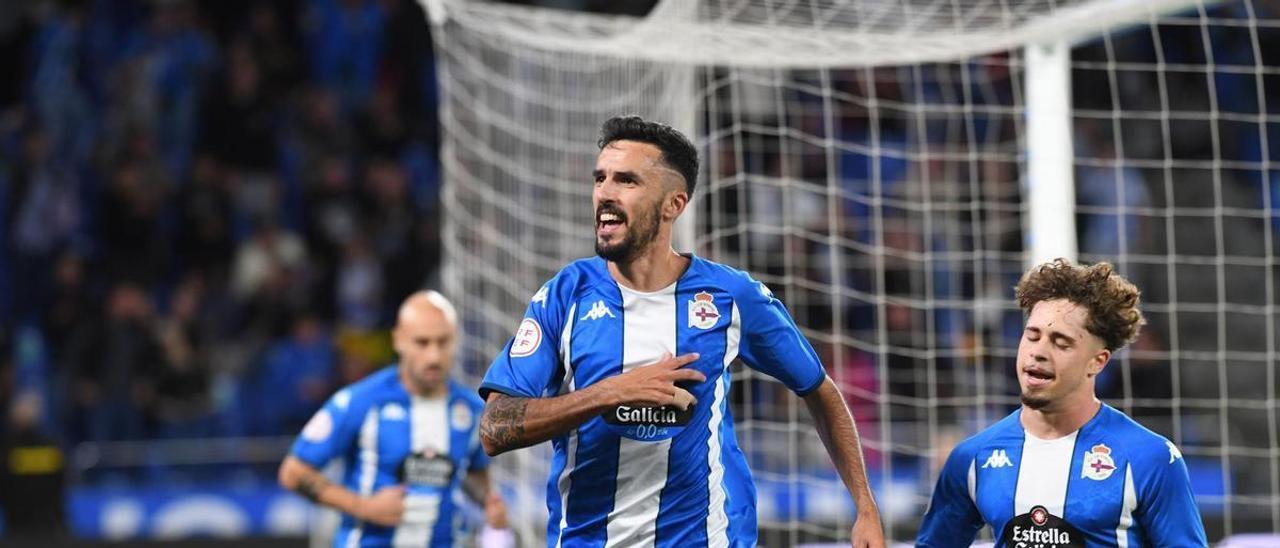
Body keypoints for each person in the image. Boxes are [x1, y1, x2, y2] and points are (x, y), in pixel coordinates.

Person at [478, 115, 884, 547]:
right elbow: (494, 428)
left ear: (674, 204)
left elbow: (818, 388)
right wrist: (611, 392)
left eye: (627, 181)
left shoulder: (730, 296)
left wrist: (865, 507)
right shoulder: (565, 295)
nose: (605, 194)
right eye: (600, 179)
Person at [916, 259, 1207, 547]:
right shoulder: (973, 457)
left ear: (1097, 361)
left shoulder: (1149, 457)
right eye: (1032, 336)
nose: (1038, 352)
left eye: (1060, 342)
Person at [279, 291, 511, 547]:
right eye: (422, 343)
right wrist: (364, 507)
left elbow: (475, 470)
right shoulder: (361, 401)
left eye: (443, 342)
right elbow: (294, 472)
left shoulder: (471, 410)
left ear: (456, 339)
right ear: (398, 340)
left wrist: (487, 500)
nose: (433, 356)